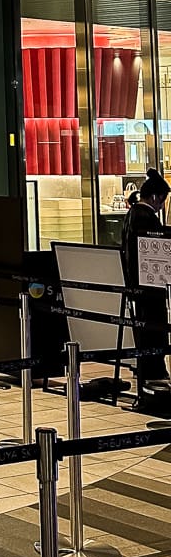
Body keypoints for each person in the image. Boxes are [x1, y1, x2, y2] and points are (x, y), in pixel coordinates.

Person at [120, 168, 171, 409]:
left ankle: (149, 377)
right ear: (154, 198)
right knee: (154, 333)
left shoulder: (131, 215)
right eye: (162, 200)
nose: (162, 205)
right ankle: (154, 380)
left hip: (136, 286)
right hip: (151, 289)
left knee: (145, 335)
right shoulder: (147, 218)